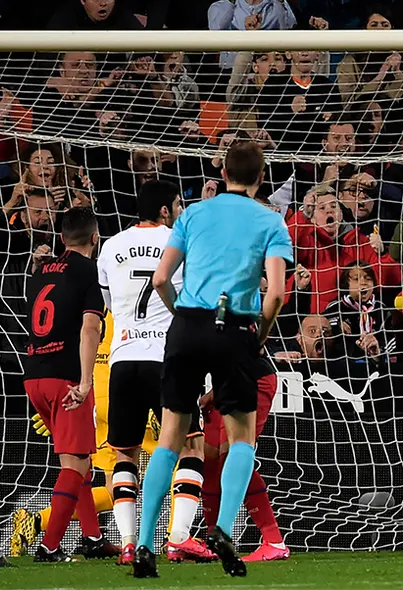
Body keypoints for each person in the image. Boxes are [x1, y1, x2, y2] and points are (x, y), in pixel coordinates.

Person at [133, 141, 293, 578]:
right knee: (242, 437)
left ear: (222, 172)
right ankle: (222, 528)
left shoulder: (193, 214)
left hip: (186, 326)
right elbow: (276, 293)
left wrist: (180, 311)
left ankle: (145, 544)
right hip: (235, 326)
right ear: (262, 176)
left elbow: (162, 277)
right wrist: (259, 332)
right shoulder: (270, 221)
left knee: (171, 437)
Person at [96, 181, 215, 565]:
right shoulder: (181, 240)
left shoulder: (110, 246)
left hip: (123, 358)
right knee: (191, 446)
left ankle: (129, 542)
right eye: (179, 204)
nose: (181, 210)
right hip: (167, 357)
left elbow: (109, 306)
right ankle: (178, 536)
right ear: (166, 210)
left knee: (124, 454)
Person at [22, 206, 116, 562]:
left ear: (61, 238)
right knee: (74, 467)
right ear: (96, 238)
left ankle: (92, 538)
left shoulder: (39, 270)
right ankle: (49, 547)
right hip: (65, 379)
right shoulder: (88, 270)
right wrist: (85, 380)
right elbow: (90, 327)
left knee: (79, 464)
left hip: (34, 375)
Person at [201, 357, 288, 562]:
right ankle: (213, 542)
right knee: (210, 461)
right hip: (226, 383)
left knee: (232, 458)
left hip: (251, 379)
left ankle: (274, 541)